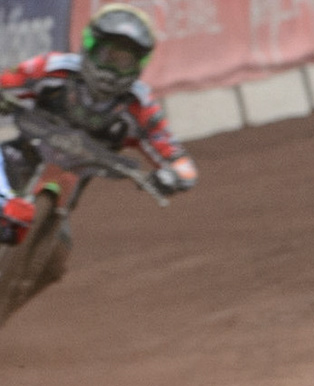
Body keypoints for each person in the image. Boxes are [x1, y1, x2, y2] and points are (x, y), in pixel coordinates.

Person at [0, 4, 197, 244]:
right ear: (90, 47)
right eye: (108, 57)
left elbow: (177, 156)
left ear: (139, 64)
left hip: (71, 179)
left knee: (59, 254)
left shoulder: (139, 107)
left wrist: (174, 175)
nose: (112, 70)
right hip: (24, 152)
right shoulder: (53, 70)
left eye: (124, 62)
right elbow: (8, 81)